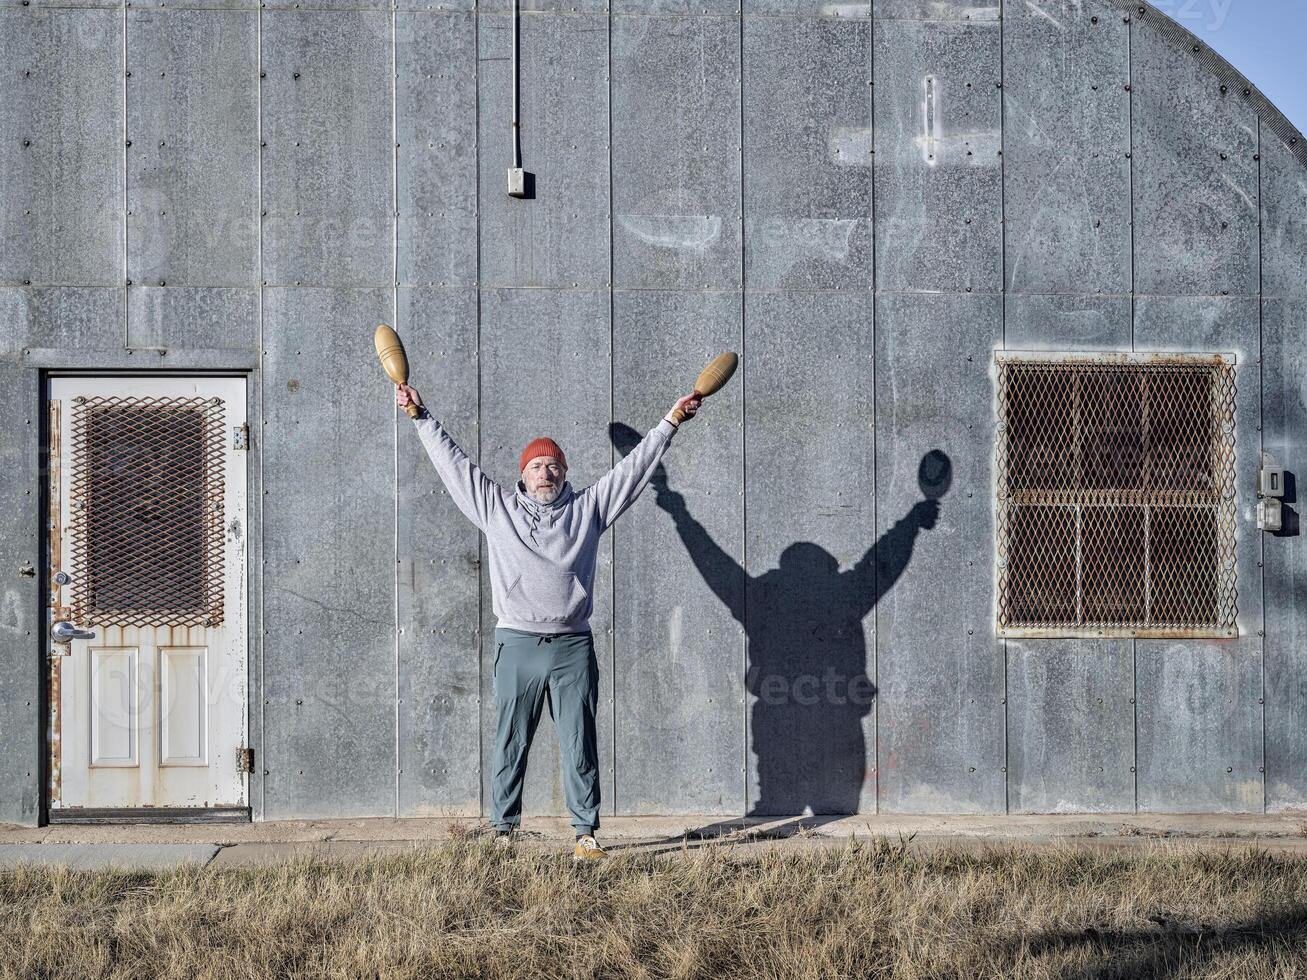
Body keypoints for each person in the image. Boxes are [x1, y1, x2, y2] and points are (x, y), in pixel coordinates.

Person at [395, 380, 701, 861]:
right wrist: (419, 415)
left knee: (580, 741)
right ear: (523, 473)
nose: (546, 472)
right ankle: (504, 831)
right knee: (510, 740)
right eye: (537, 465)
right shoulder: (496, 509)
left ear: (565, 473)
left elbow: (633, 469)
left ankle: (585, 834)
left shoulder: (589, 509)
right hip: (516, 643)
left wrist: (672, 422)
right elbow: (452, 464)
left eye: (554, 465)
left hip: (572, 648)